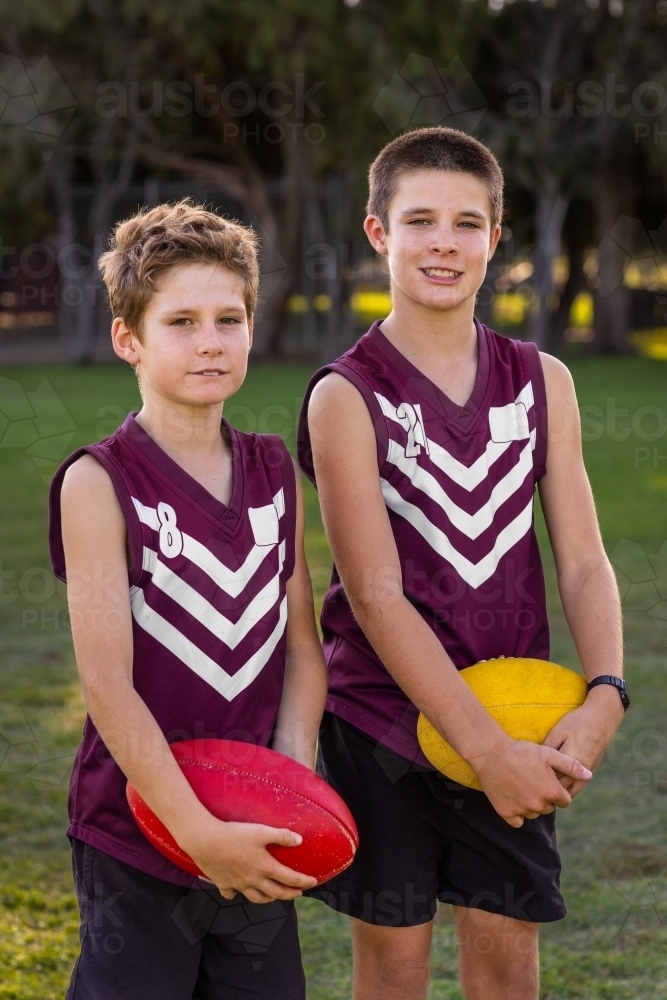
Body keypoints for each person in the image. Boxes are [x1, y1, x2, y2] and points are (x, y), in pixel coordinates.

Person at [297, 127, 628, 1000]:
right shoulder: (345, 393)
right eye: (419, 220)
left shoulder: (540, 378)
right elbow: (372, 595)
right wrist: (482, 751)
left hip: (511, 705)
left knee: (505, 956)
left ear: (494, 237)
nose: (443, 241)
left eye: (466, 222)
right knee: (395, 963)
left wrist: (604, 690)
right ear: (379, 234)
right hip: (384, 723)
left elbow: (584, 559)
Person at [49, 200, 327, 1000]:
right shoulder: (98, 482)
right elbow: (106, 686)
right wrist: (197, 833)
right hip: (137, 829)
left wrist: (290, 780)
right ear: (127, 339)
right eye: (180, 321)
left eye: (229, 317)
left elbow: (300, 644)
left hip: (253, 821)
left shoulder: (275, 468)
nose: (210, 340)